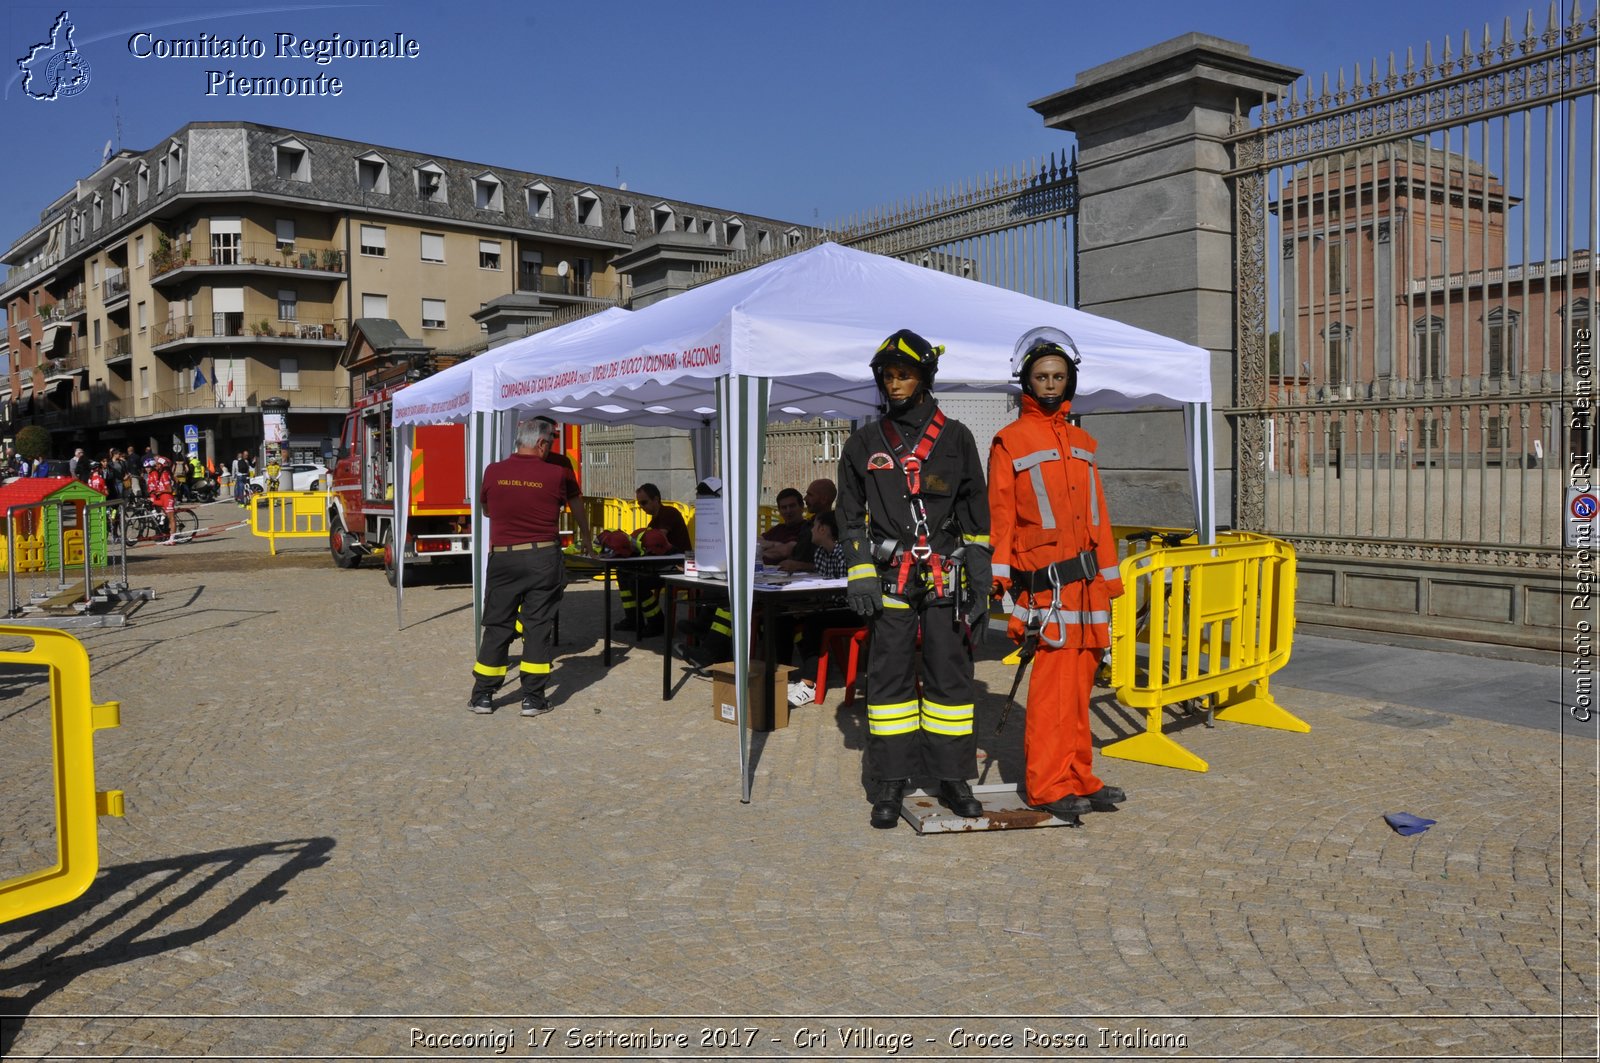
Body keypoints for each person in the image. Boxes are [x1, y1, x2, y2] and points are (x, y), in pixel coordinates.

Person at [838, 328, 992, 829]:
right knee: (888, 682)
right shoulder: (863, 442)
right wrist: (860, 572)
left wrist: (981, 578)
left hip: (946, 578)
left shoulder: (957, 437)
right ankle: (890, 781)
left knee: (951, 676)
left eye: (904, 374)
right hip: (890, 577)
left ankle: (953, 778)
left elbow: (976, 512)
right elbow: (848, 514)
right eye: (888, 376)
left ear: (925, 377)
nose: (895, 383)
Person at [988, 326, 1127, 822]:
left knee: (1080, 690)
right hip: (1045, 588)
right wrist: (1004, 590)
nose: (1050, 384)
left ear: (1069, 383)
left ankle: (1079, 777)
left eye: (1058, 377)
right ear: (1026, 380)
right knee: (1050, 694)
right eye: (1042, 376)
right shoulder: (1009, 440)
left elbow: (1100, 517)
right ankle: (1046, 784)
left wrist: (1110, 584)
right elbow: (1001, 519)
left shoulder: (1085, 443)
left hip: (1088, 588)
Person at [469, 418, 582, 717]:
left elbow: (486, 509)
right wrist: (585, 533)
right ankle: (533, 699)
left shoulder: (493, 471)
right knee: (537, 627)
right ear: (541, 443)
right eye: (551, 442)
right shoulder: (557, 472)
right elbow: (574, 502)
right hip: (543, 557)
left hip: (503, 558)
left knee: (497, 626)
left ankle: (482, 696)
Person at [785, 511, 858, 709]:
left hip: (854, 610)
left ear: (823, 529)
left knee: (814, 622)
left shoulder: (845, 551)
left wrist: (815, 608)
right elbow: (825, 590)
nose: (810, 530)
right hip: (833, 606)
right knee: (786, 616)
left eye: (814, 525)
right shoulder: (820, 553)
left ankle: (810, 684)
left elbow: (844, 592)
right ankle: (784, 676)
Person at [616, 482, 689, 637]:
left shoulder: (668, 513)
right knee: (623, 572)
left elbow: (657, 539)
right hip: (664, 564)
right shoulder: (655, 520)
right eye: (639, 503)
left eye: (644, 502)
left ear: (656, 499)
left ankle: (657, 622)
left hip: (678, 567)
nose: (642, 507)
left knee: (637, 581)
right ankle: (633, 619)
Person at [758, 487, 808, 563]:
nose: (788, 511)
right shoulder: (778, 529)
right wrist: (774, 545)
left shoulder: (808, 528)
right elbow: (756, 542)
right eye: (784, 507)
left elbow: (786, 551)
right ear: (779, 510)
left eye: (792, 506)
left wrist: (759, 553)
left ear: (801, 506)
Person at [147, 455, 179, 543]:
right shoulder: (161, 474)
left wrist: (160, 492)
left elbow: (169, 489)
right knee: (152, 503)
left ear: (162, 465)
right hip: (162, 499)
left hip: (167, 498)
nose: (155, 466)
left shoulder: (165, 474)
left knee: (171, 519)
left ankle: (172, 539)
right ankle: (163, 532)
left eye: (157, 465)